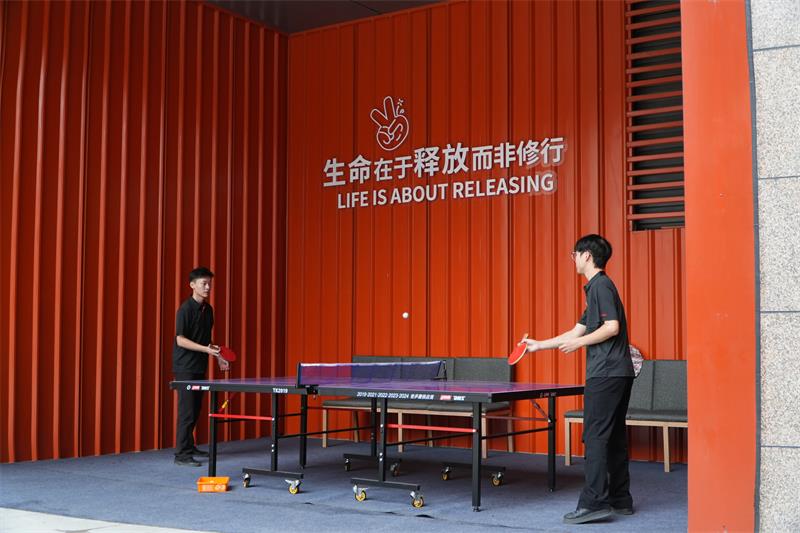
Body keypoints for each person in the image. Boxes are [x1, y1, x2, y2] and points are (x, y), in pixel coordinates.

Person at [522, 234, 634, 524]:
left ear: (587, 256)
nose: (573, 259)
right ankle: (620, 499)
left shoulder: (601, 286)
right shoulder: (596, 289)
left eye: (574, 254)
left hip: (606, 373)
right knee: (613, 436)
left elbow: (611, 327)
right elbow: (575, 332)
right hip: (618, 372)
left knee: (594, 436)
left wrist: (579, 344)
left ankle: (594, 503)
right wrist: (538, 345)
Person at [173, 267, 230, 466]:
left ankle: (189, 446)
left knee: (195, 409)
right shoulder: (185, 310)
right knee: (187, 411)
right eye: (203, 284)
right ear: (192, 285)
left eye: (209, 284)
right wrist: (206, 350)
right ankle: (181, 455)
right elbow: (180, 339)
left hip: (199, 366)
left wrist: (219, 356)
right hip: (185, 367)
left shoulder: (208, 310)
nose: (207, 287)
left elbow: (206, 339)